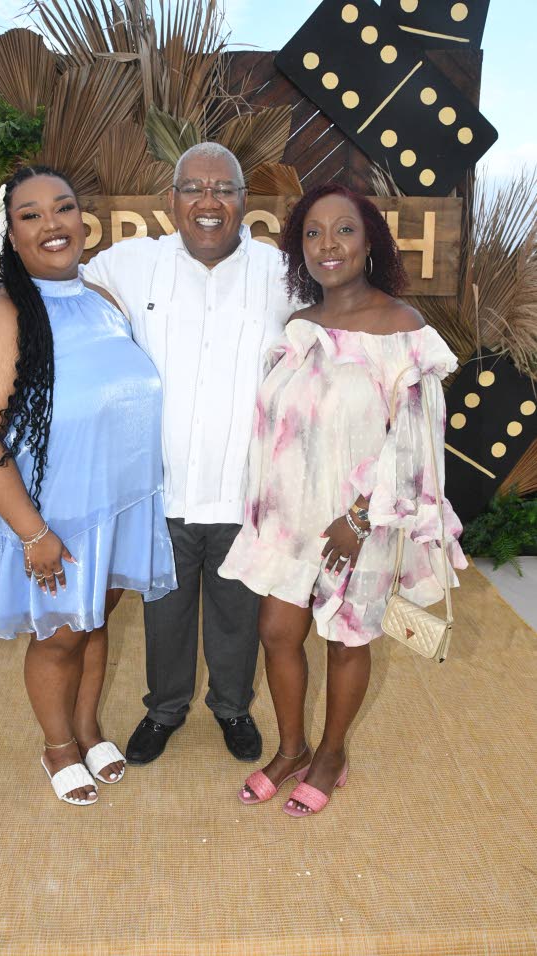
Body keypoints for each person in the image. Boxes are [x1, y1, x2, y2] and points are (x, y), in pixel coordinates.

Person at [0, 144, 302, 766]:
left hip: (244, 487)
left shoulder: (283, 274)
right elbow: (47, 278)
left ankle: (231, 707)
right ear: (171, 199)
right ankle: (164, 710)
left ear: (244, 200)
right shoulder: (129, 264)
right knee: (162, 616)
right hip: (157, 494)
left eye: (223, 188)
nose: (208, 201)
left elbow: (341, 310)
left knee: (236, 615)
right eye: (193, 188)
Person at [218, 184, 468, 816]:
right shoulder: (298, 327)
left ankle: (331, 755)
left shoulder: (403, 329)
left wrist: (359, 518)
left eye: (344, 230)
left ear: (370, 241)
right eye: (313, 232)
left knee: (347, 640)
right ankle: (292, 748)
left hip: (360, 522)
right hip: (292, 521)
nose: (328, 244)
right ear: (299, 248)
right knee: (277, 631)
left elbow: (416, 446)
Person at [0, 166, 177, 806]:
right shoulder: (2, 313)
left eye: (63, 207)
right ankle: (58, 745)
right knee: (61, 636)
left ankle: (87, 728)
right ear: (10, 234)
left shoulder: (103, 299)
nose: (52, 224)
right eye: (31, 215)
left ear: (81, 218)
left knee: (93, 623)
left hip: (117, 507)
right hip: (53, 516)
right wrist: (33, 532)